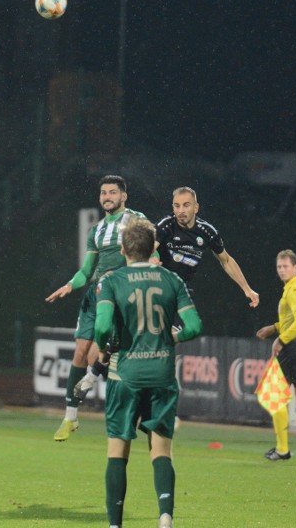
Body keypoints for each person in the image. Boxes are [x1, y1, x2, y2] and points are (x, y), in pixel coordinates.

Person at [77, 186, 259, 398]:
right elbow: (149, 246)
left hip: (179, 295)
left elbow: (226, 260)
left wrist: (247, 289)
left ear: (196, 208)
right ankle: (94, 377)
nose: (180, 210)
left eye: (186, 205)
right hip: (154, 289)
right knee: (120, 340)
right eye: (176, 206)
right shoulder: (165, 226)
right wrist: (152, 257)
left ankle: (142, 384)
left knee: (165, 339)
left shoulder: (207, 232)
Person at [94, 218, 202, 528]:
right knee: (161, 450)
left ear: (123, 249)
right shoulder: (172, 280)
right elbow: (194, 326)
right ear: (154, 247)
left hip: (124, 374)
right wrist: (171, 337)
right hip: (162, 374)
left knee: (118, 450)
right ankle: (165, 517)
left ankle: (115, 525)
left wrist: (108, 344)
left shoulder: (111, 281)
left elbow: (102, 327)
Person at [45, 175, 151, 441]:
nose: (107, 197)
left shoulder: (137, 220)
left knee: (97, 355)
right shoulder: (97, 230)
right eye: (103, 192)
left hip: (120, 293)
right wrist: (70, 285)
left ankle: (132, 406)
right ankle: (70, 417)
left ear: (123, 196)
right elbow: (86, 270)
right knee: (80, 352)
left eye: (112, 192)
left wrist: (153, 267)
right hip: (95, 293)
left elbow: (152, 249)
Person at [255, 249, 296, 464]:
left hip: (295, 346)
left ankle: (283, 449)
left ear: (295, 267)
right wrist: (274, 328)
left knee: (274, 394)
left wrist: (281, 339)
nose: (282, 270)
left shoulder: (294, 289)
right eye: (279, 267)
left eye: (285, 266)